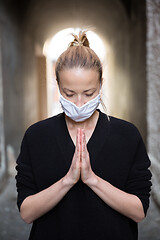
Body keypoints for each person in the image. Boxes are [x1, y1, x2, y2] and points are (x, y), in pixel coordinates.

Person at [15, 29, 152, 240]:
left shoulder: (127, 135)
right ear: (59, 87)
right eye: (69, 94)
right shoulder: (37, 136)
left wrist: (92, 180)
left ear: (101, 85)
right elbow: (26, 212)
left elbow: (139, 211)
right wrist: (68, 180)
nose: (79, 104)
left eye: (89, 93)